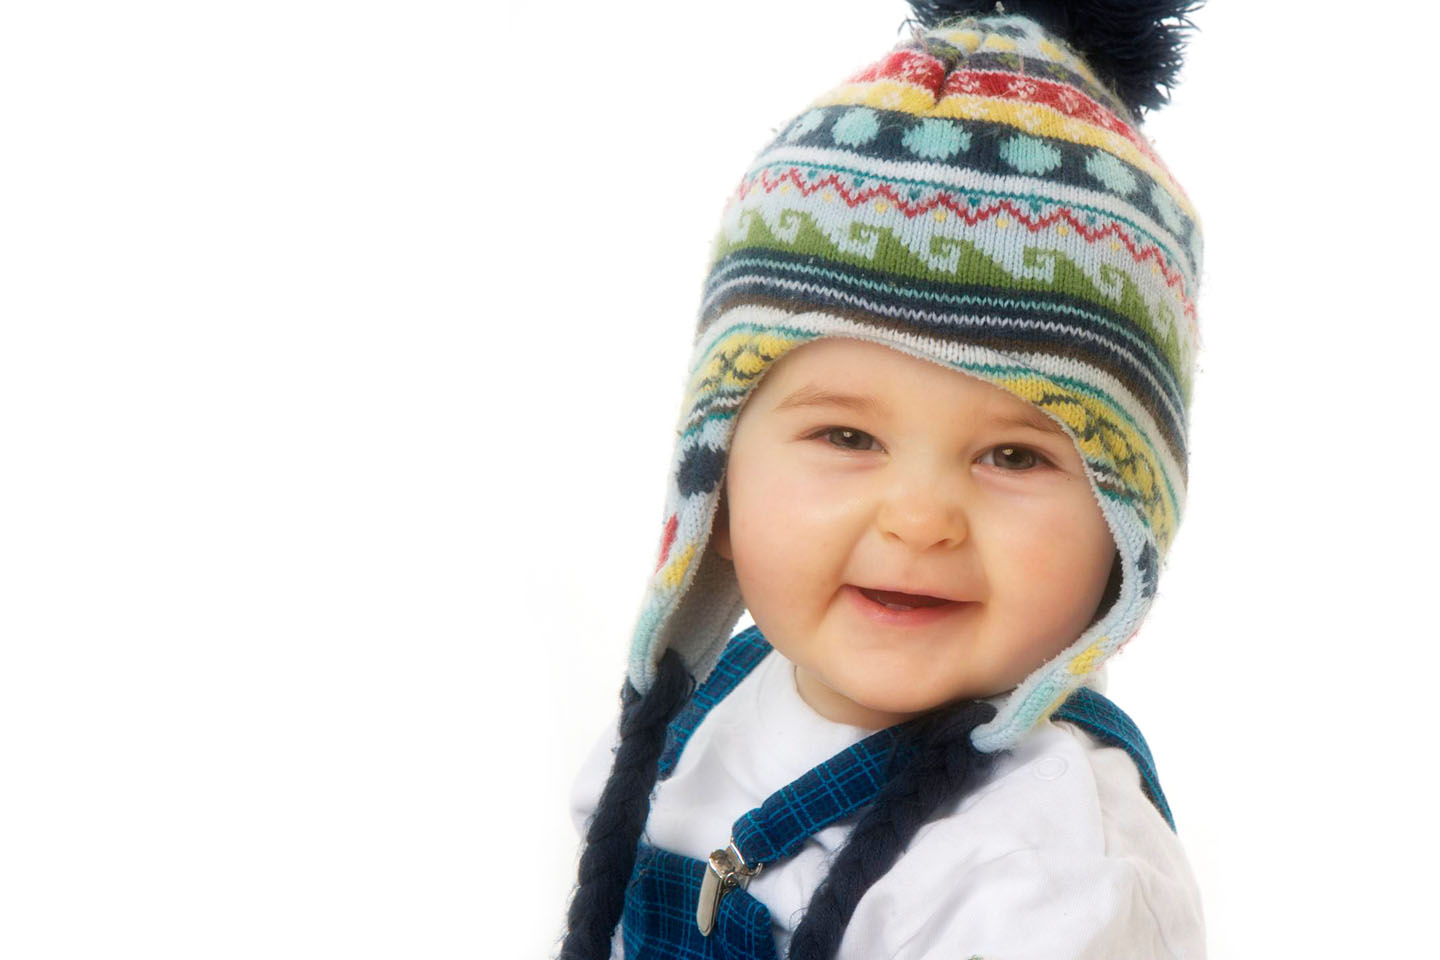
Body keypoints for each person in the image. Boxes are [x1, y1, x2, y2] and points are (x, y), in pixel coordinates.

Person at [558, 1, 1207, 956]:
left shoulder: (1048, 884)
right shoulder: (685, 724)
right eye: (847, 436)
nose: (920, 518)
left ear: (1126, 534)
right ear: (715, 487)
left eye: (1014, 456)